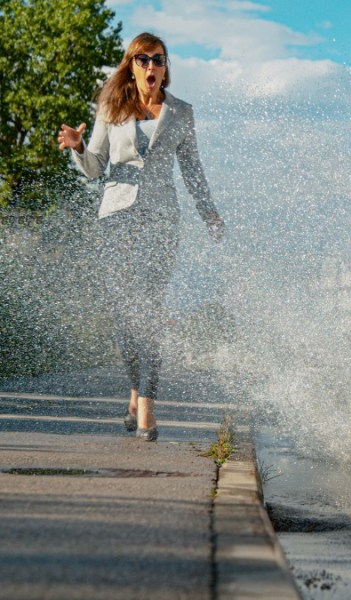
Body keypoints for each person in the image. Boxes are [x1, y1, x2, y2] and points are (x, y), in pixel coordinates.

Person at [57, 32, 223, 442]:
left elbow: (192, 170)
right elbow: (95, 167)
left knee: (148, 310)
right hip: (116, 217)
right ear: (131, 65)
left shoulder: (182, 112)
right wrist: (78, 147)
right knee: (122, 311)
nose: (152, 66)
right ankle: (135, 386)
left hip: (162, 221)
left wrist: (209, 212)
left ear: (166, 68)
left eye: (159, 60)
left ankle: (147, 404)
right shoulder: (111, 107)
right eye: (144, 59)